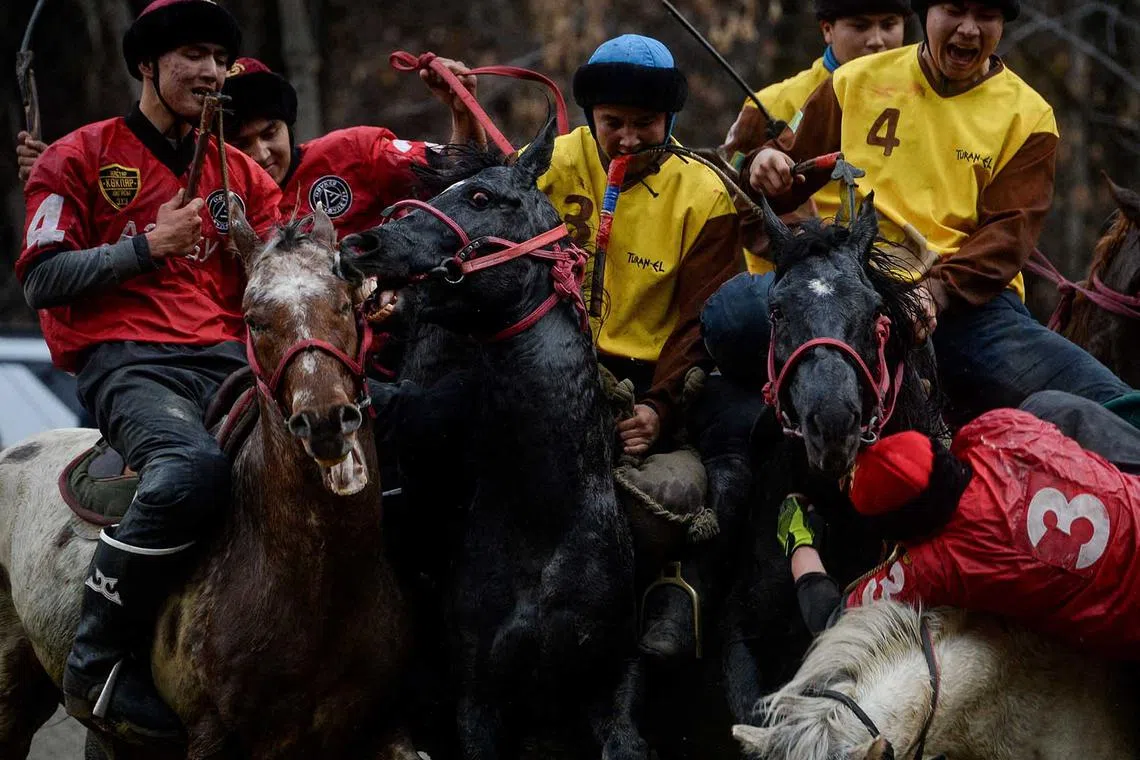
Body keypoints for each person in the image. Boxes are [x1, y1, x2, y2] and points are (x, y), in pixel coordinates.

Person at [16, 0, 281, 741]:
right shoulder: (77, 155)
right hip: (131, 365)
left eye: (220, 59)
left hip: (231, 362)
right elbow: (41, 279)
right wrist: (146, 246)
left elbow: (280, 274)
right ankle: (94, 661)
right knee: (191, 471)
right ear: (147, 65)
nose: (211, 71)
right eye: (192, 54)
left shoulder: (245, 177)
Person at [707, 0, 1138, 426]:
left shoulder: (1030, 116)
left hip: (966, 306)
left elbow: (1009, 237)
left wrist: (935, 291)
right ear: (926, 12)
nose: (969, 28)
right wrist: (767, 165)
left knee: (1107, 400)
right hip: (848, 285)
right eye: (954, 10)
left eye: (985, 15)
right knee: (730, 318)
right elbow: (786, 174)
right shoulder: (854, 80)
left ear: (1003, 23)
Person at [536, 34, 744, 660]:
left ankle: (673, 585)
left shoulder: (704, 193)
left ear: (670, 121)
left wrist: (658, 409)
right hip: (552, 366)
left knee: (667, 501)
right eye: (613, 124)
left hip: (648, 383)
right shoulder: (552, 159)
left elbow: (701, 322)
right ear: (592, 118)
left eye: (644, 124)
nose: (627, 139)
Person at [780, 402, 1140, 659]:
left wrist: (797, 539)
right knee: (1052, 405)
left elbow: (830, 622)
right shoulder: (1000, 428)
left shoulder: (937, 566)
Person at [721, 0, 912, 274]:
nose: (877, 40)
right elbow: (730, 200)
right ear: (827, 30)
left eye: (889, 25)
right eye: (860, 26)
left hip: (898, 272)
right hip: (792, 279)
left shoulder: (924, 98)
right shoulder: (770, 103)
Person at [220, 55, 484, 231]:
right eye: (241, 145)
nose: (260, 153)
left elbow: (456, 171)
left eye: (269, 133)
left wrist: (461, 112)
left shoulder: (354, 152)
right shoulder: (211, 207)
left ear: (287, 128)